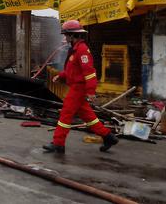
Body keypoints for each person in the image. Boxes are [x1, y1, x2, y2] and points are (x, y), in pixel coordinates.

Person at [43, 20, 118, 153]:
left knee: (65, 114)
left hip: (79, 89)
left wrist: (90, 91)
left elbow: (89, 72)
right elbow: (72, 71)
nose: (65, 38)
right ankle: (108, 136)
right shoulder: (75, 50)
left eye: (66, 35)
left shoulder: (82, 50)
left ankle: (58, 143)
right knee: (88, 116)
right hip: (76, 87)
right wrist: (61, 75)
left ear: (72, 35)